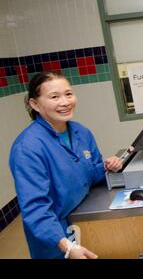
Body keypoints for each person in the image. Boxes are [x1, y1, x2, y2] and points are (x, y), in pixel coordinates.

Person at [9, 71, 123, 259]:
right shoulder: (28, 147)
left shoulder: (81, 132)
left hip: (85, 221)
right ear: (34, 104)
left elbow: (88, 174)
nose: (65, 102)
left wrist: (107, 167)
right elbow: (35, 207)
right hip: (55, 235)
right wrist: (67, 247)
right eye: (54, 97)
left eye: (68, 94)